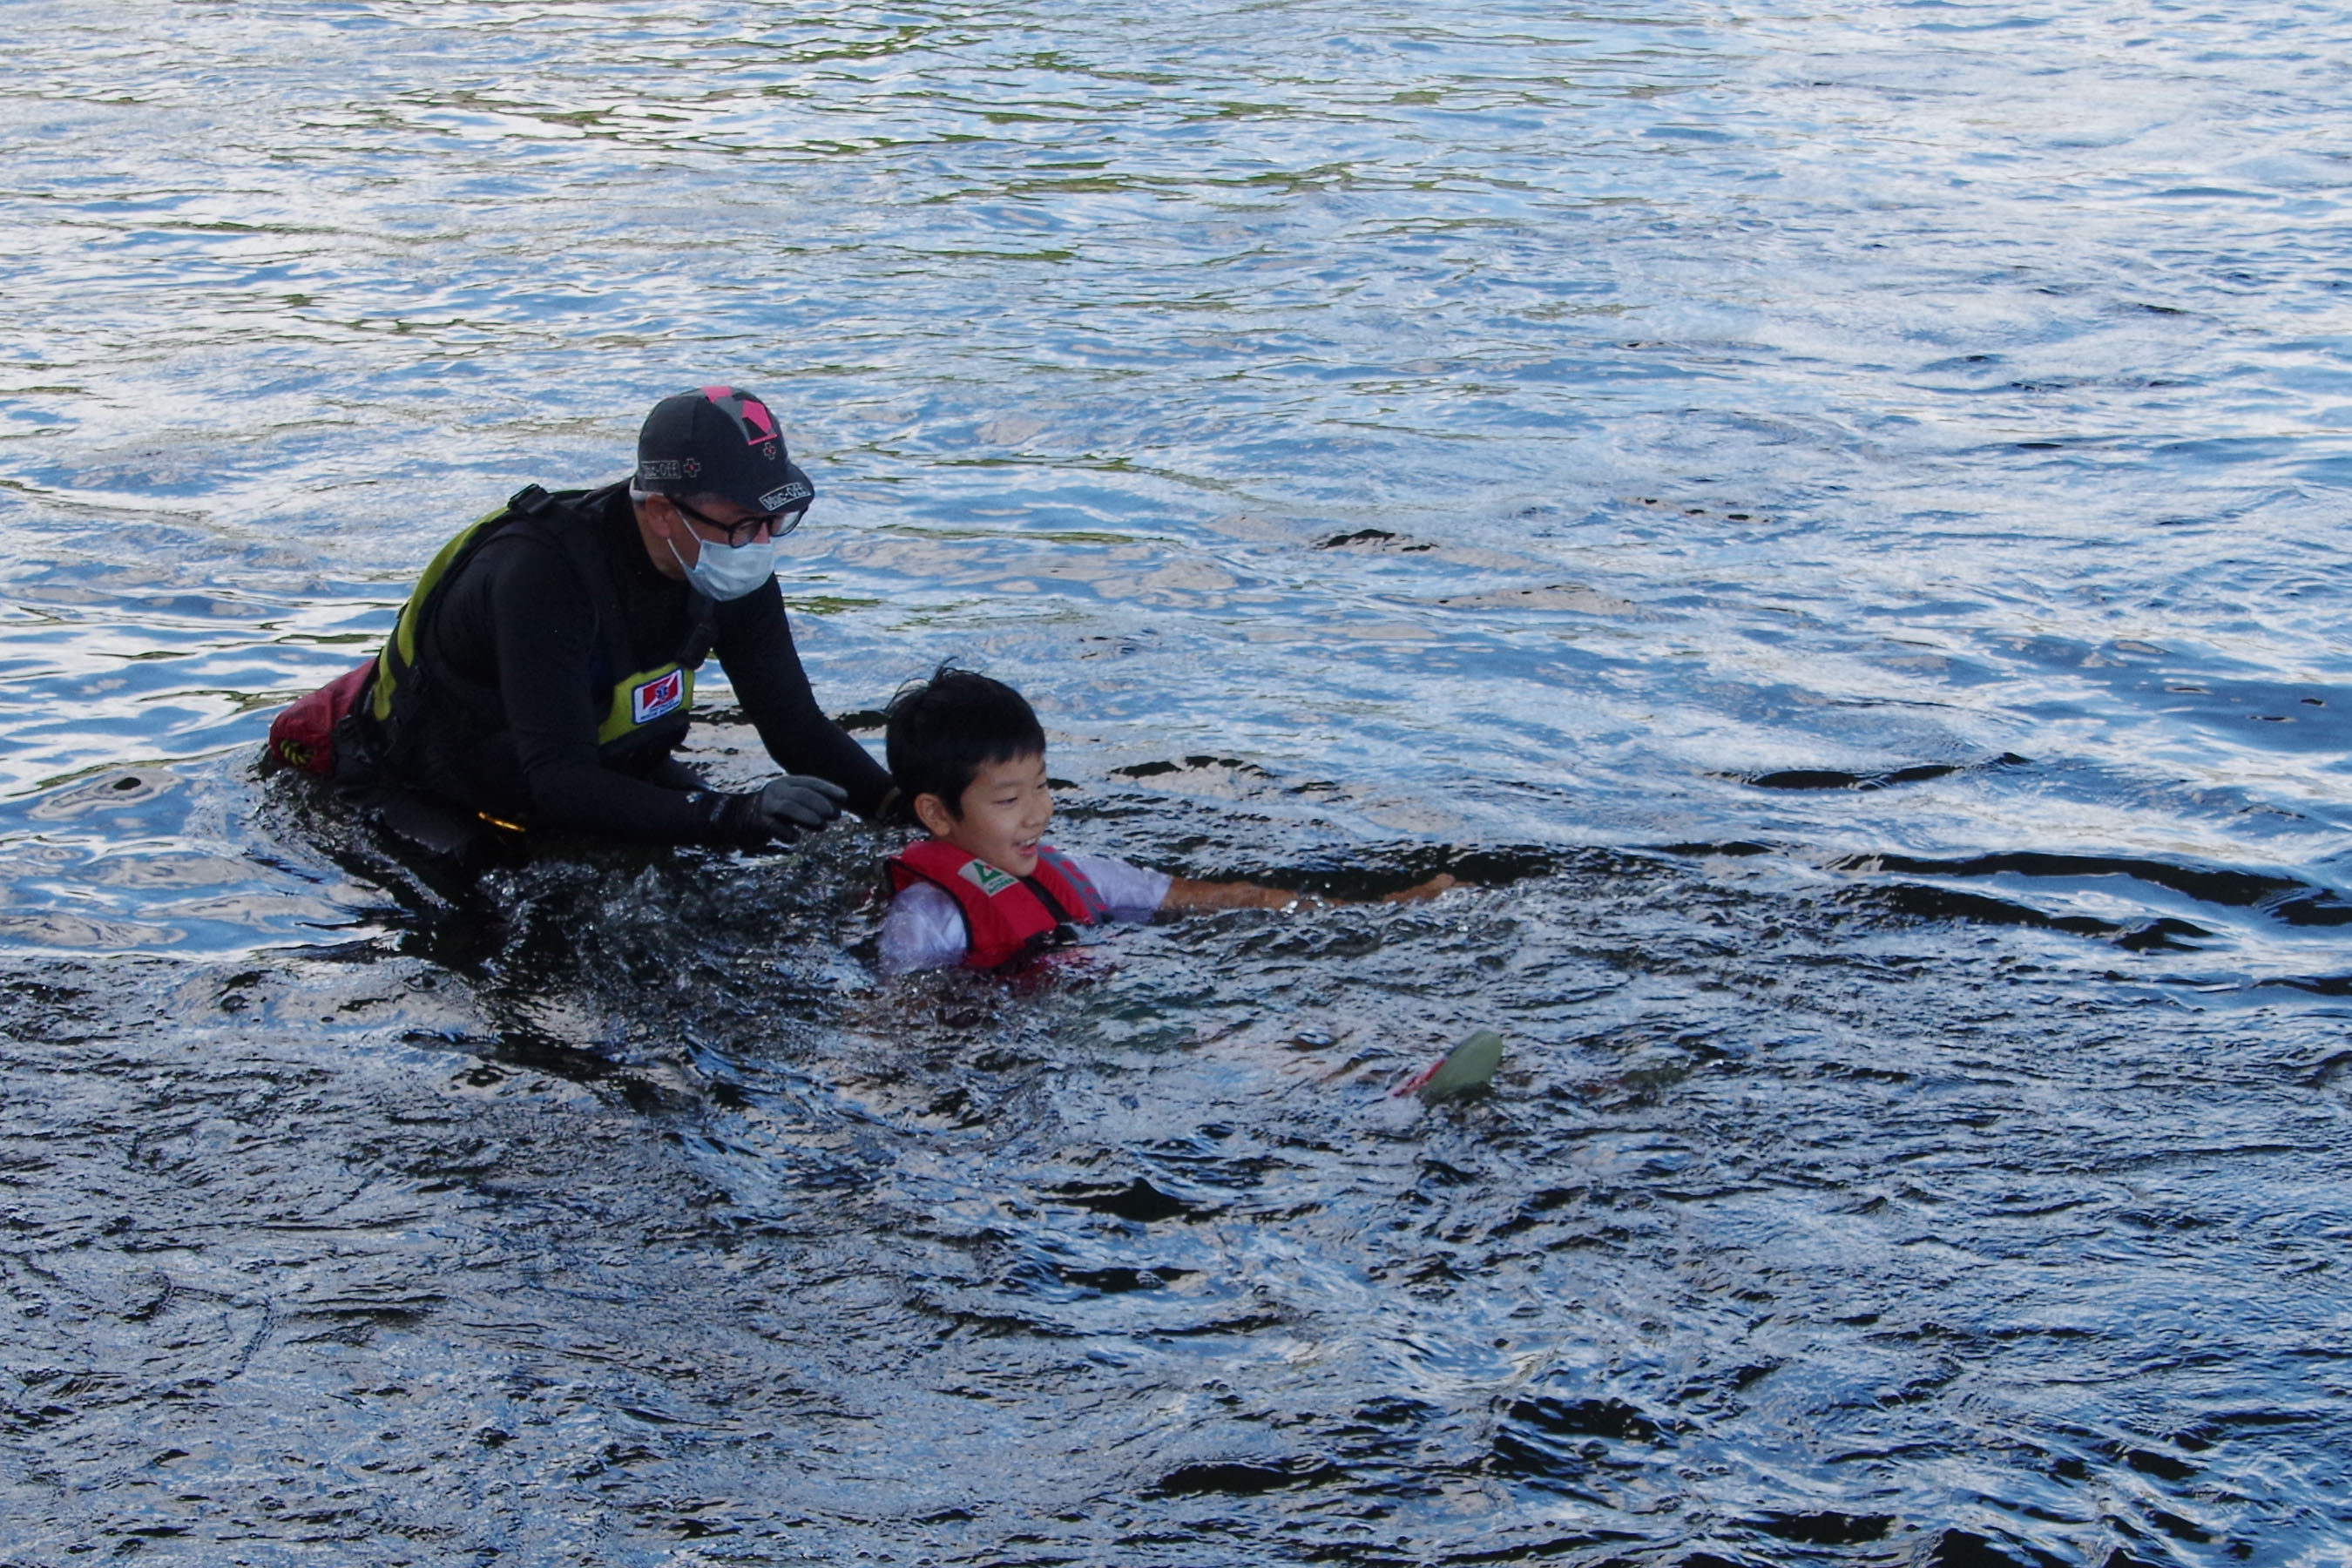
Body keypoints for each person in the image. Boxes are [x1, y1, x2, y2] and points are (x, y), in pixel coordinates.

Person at [341, 386, 894, 857]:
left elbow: (794, 725)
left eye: (778, 519)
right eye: (746, 521)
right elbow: (561, 781)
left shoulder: (728, 558)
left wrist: (915, 812)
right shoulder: (541, 575)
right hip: (436, 794)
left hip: (603, 772)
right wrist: (731, 815)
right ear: (660, 510)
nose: (762, 542)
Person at [876, 667, 1453, 975]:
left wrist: (1377, 911)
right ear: (936, 813)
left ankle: (1376, 1075)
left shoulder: (1079, 874)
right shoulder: (925, 918)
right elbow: (896, 1023)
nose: (1039, 812)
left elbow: (1222, 898)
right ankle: (1370, 1091)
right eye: (1008, 801)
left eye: (1044, 785)